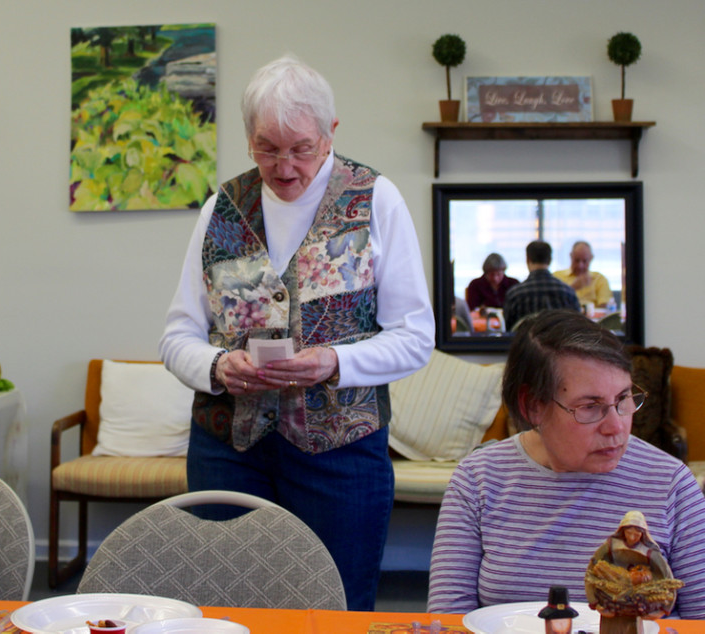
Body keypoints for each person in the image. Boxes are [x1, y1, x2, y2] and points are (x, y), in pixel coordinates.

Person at [159, 55, 434, 611]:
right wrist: (216, 367)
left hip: (341, 456)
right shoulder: (221, 208)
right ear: (247, 139)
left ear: (331, 134)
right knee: (225, 606)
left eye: (301, 148)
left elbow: (414, 337)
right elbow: (177, 336)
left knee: (336, 608)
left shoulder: (374, 200)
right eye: (267, 148)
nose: (284, 167)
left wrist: (334, 362)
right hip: (227, 450)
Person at [427, 310, 705, 618]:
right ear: (532, 406)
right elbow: (448, 618)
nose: (617, 426)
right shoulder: (477, 480)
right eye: (590, 407)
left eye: (623, 398)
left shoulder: (671, 485)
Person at [585, 510, 681, 619]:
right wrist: (595, 602)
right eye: (629, 533)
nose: (632, 538)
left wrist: (663, 610)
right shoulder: (611, 546)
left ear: (643, 534)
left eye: (636, 534)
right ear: (623, 531)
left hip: (639, 601)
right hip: (613, 598)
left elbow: (667, 579)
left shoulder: (650, 552)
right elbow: (591, 571)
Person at [503, 241, 580, 330]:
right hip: (559, 343)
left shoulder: (514, 294)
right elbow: (576, 327)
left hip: (526, 343)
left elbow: (508, 328)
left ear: (528, 259)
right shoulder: (568, 292)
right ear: (550, 260)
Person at [554, 240, 613, 308]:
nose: (580, 265)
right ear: (571, 256)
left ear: (591, 259)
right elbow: (553, 304)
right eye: (577, 260)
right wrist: (572, 288)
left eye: (585, 261)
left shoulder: (600, 279)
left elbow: (604, 307)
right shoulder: (557, 277)